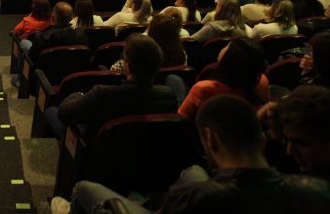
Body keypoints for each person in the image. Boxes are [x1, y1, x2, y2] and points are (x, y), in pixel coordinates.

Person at [59, 94, 330, 214]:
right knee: (193, 172)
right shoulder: (314, 192)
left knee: (83, 188)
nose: (292, 150)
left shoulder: (194, 198)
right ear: (261, 140)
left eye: (300, 144)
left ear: (209, 138)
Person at [44, 34, 177, 140]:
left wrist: (78, 94)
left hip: (95, 156)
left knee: (51, 111)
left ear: (127, 66)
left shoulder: (102, 94)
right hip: (140, 157)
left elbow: (64, 114)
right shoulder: (169, 96)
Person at [179, 37, 269, 120]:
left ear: (230, 57)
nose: (223, 48)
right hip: (245, 132)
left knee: (174, 80)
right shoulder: (262, 81)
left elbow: (182, 118)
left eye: (227, 46)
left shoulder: (203, 88)